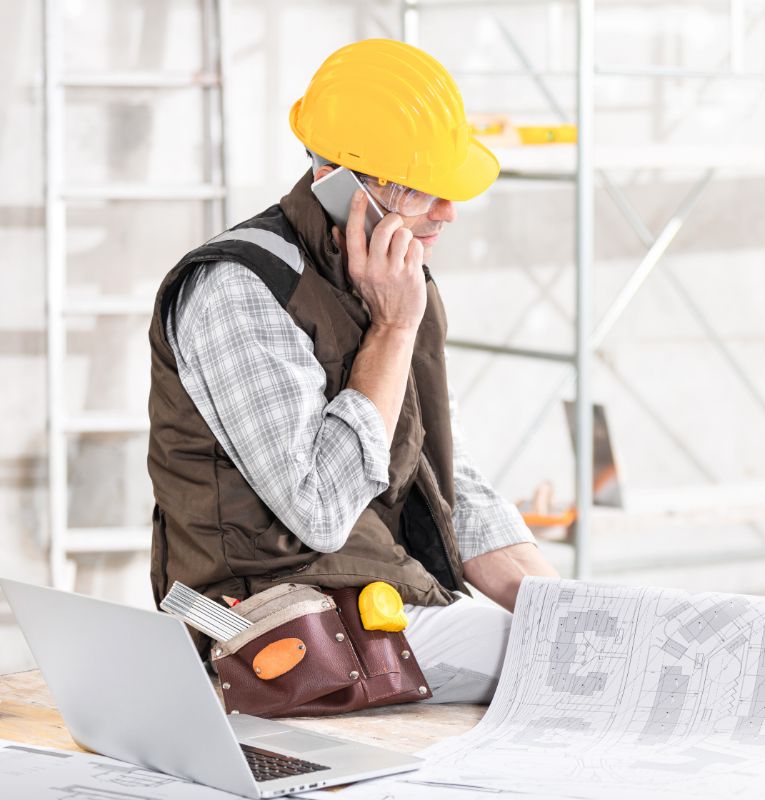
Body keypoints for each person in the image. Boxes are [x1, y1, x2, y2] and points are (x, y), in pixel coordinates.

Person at [145, 39, 558, 704]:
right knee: (547, 673)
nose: (449, 213)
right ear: (345, 186)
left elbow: (429, 475)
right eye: (427, 190)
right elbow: (318, 509)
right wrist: (393, 331)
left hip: (365, 595)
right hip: (265, 623)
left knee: (570, 648)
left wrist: (565, 609)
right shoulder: (238, 291)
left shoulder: (382, 278)